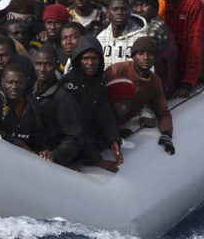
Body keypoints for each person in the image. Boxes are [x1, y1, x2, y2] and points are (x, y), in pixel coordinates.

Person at [61, 37, 124, 172]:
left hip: (85, 137)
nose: (91, 63)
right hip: (66, 139)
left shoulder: (97, 82)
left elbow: (104, 113)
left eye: (95, 58)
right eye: (86, 58)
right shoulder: (69, 83)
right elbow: (75, 125)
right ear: (78, 60)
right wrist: (98, 161)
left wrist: (114, 140)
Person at [104, 36, 174, 154]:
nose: (146, 58)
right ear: (133, 56)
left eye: (150, 54)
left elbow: (163, 112)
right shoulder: (116, 70)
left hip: (119, 126)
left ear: (156, 58)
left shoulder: (154, 82)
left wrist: (166, 134)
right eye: (141, 53)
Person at [156, 0, 204, 97]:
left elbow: (195, 45)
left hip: (184, 73)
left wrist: (188, 82)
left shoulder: (193, 4)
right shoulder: (157, 0)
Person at [31, 47, 87, 166]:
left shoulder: (64, 98)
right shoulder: (29, 90)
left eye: (48, 65)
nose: (42, 69)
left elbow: (74, 138)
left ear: (56, 65)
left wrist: (53, 155)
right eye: (38, 64)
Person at [0, 62, 46, 153]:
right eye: (10, 82)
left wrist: (43, 151)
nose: (14, 87)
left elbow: (38, 136)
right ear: (2, 82)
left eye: (19, 83)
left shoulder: (32, 102)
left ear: (26, 82)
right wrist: (19, 144)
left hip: (26, 155)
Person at [130, 0, 178, 97]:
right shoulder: (144, 24)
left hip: (156, 87)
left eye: (144, 5)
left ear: (155, 8)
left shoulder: (153, 29)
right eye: (136, 5)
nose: (139, 10)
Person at [96, 0, 148, 67]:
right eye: (115, 9)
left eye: (124, 9)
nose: (119, 12)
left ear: (130, 12)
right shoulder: (101, 37)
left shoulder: (141, 37)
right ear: (107, 13)